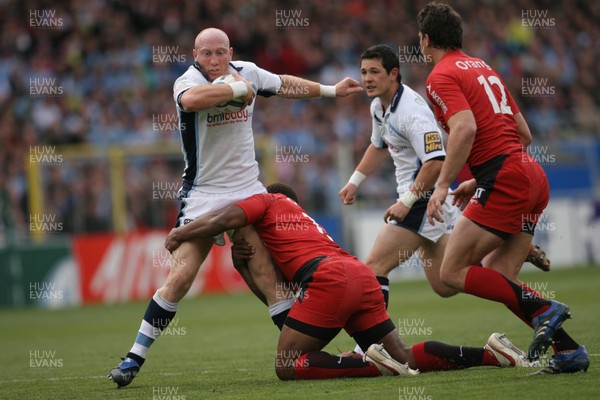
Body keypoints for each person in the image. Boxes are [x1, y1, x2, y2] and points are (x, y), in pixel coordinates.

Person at [107, 27, 364, 388]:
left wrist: (331, 90)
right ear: (195, 55)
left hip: (247, 191)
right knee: (180, 278)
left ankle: (300, 352)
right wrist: (236, 89)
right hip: (203, 195)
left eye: (220, 53)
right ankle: (134, 357)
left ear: (231, 52)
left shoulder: (250, 71)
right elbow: (193, 101)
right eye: (206, 54)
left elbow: (283, 84)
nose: (213, 60)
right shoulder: (186, 81)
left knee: (265, 274)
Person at [164, 182, 534, 380]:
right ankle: (493, 355)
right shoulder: (303, 225)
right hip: (358, 274)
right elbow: (284, 310)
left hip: (331, 278)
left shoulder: (267, 201)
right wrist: (244, 267)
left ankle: (373, 365)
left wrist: (183, 232)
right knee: (405, 356)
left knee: (287, 364)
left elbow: (227, 217)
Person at [338, 45, 552, 357]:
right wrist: (354, 182)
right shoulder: (378, 108)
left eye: (374, 72)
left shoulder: (411, 110)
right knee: (444, 283)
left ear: (393, 74)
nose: (367, 79)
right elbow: (378, 145)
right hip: (420, 199)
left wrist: (407, 201)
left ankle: (367, 349)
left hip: (422, 198)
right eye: (363, 72)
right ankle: (503, 247)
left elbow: (437, 161)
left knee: (373, 268)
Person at [417, 2, 588, 374]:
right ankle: (569, 352)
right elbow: (523, 134)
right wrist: (477, 178)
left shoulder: (440, 76)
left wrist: (443, 185)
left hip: (506, 179)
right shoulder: (483, 68)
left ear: (426, 39)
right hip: (529, 175)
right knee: (499, 274)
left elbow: (465, 129)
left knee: (451, 272)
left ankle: (547, 309)